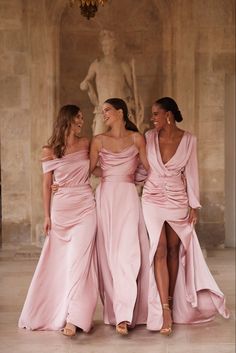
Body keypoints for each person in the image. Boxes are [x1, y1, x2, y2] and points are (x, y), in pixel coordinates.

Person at [141, 97, 229, 335]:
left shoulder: (189, 139)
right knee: (158, 249)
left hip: (178, 200)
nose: (152, 118)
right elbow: (139, 167)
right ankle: (165, 309)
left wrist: (194, 204)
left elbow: (192, 173)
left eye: (156, 114)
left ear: (168, 115)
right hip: (151, 199)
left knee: (172, 250)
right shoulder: (148, 137)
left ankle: (170, 297)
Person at [18, 105, 98, 336]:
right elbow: (46, 184)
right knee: (58, 264)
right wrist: (47, 215)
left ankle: (74, 319)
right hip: (61, 210)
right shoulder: (49, 150)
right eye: (78, 117)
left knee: (79, 263)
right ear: (67, 119)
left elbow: (96, 169)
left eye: (82, 117)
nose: (82, 121)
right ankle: (53, 311)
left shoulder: (86, 144)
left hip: (85, 207)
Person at [90, 98, 149, 335]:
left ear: (120, 112)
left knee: (128, 253)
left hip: (127, 196)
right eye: (102, 111)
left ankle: (124, 315)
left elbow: (148, 168)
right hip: (105, 197)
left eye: (107, 110)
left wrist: (131, 176)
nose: (103, 114)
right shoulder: (98, 140)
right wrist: (110, 173)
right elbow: (88, 169)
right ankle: (116, 313)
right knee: (108, 256)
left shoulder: (137, 138)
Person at [80, 30, 145, 135]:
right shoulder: (96, 65)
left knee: (126, 141)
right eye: (104, 45)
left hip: (120, 110)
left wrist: (138, 105)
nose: (106, 48)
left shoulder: (123, 66)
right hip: (103, 109)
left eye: (108, 45)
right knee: (98, 138)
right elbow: (84, 82)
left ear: (114, 45)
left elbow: (133, 89)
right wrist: (85, 84)